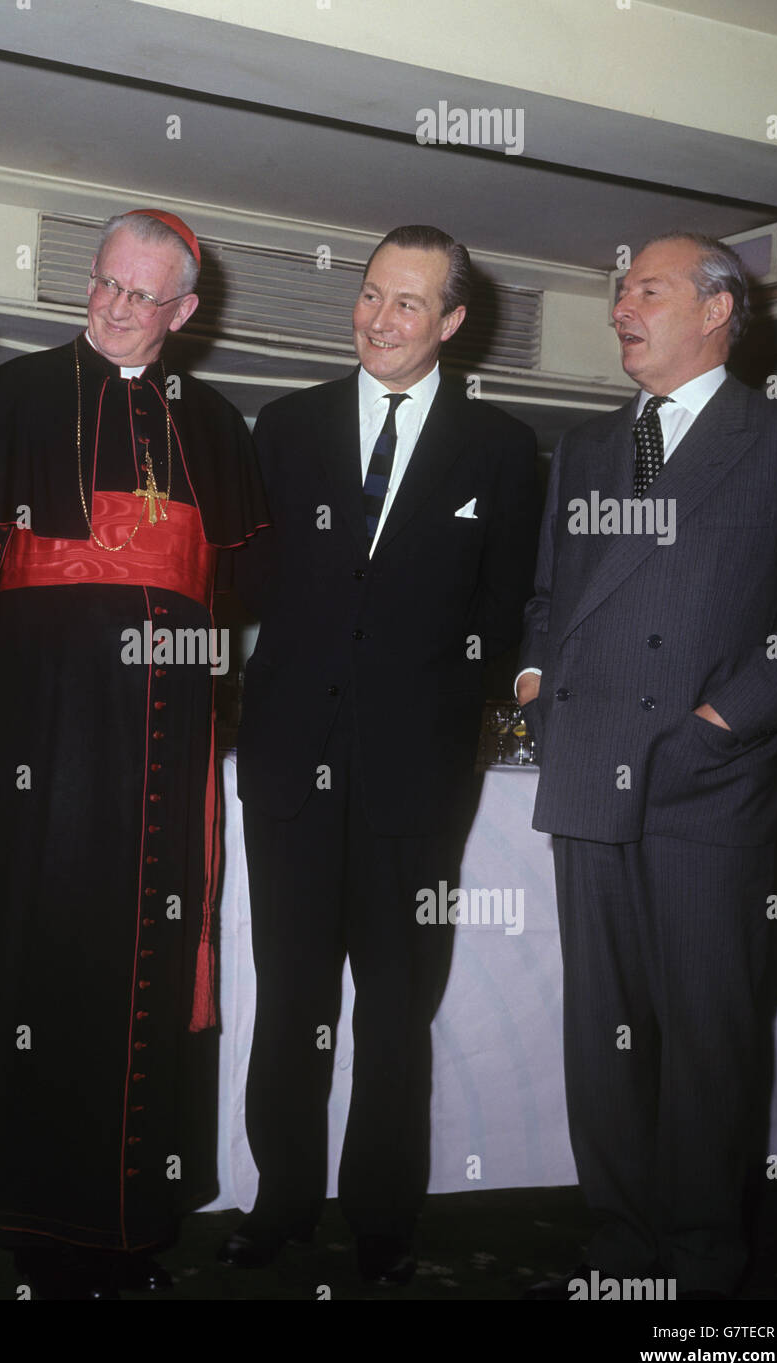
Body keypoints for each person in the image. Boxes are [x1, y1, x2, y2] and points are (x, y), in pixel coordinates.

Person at [0, 209, 268, 1298]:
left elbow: (241, 595)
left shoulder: (216, 425)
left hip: (164, 751)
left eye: (142, 296)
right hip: (34, 738)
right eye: (106, 287)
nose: (117, 310)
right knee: (33, 956)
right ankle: (28, 1217)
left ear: (184, 311)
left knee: (149, 969)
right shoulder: (12, 396)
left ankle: (129, 1227)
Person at [225, 225, 541, 1283]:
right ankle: (280, 1200)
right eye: (370, 295)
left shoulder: (500, 451)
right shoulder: (289, 425)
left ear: (452, 322)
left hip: (419, 777)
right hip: (288, 766)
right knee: (292, 995)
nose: (378, 318)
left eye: (408, 304)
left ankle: (383, 1214)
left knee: (398, 1002)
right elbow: (248, 587)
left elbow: (502, 618)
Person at [518, 232, 777, 1299]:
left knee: (706, 1035)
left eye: (646, 288)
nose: (620, 307)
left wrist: (717, 723)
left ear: (716, 309)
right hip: (588, 765)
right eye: (619, 289)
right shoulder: (589, 448)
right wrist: (531, 674)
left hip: (708, 783)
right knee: (604, 1031)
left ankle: (701, 1263)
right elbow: (553, 597)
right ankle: (621, 1245)